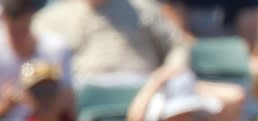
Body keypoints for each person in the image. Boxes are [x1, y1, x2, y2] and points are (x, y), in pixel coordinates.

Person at [31, 0, 189, 87]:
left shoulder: (143, 8)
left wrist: (168, 73)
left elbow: (178, 45)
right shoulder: (53, 17)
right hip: (84, 93)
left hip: (142, 89)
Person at [0, 0, 73, 121]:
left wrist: (37, 100)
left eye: (23, 29)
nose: (18, 36)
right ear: (4, 19)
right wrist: (7, 105)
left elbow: (69, 101)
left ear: (31, 17)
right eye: (13, 29)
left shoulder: (56, 48)